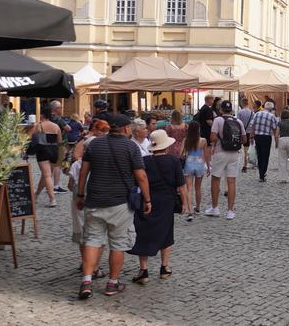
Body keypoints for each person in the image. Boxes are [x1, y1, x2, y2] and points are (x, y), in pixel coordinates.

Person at [76, 114, 151, 299]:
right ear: (126, 129)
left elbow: (83, 171)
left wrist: (80, 195)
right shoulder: (130, 147)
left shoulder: (94, 144)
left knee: (92, 240)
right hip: (120, 203)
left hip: (94, 200)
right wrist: (148, 200)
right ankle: (112, 283)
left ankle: (86, 281)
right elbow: (141, 176)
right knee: (117, 244)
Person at [129, 129, 186, 285]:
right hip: (167, 201)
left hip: (148, 200)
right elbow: (181, 186)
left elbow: (138, 181)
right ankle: (164, 267)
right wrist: (186, 204)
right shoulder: (174, 161)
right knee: (167, 233)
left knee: (143, 233)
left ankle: (144, 270)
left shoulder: (145, 161)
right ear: (166, 146)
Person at [68, 119, 111, 280]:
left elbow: (70, 184)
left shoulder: (77, 164)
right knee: (97, 232)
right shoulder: (102, 163)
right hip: (97, 197)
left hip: (78, 198)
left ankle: (85, 263)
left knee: (81, 231)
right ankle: (95, 267)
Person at [206, 100, 246, 219]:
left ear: (221, 110)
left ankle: (215, 208)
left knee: (216, 179)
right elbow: (244, 139)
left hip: (220, 152)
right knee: (231, 182)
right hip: (234, 153)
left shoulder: (218, 120)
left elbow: (212, 137)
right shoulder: (238, 121)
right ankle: (230, 211)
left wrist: (221, 139)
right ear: (231, 110)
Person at [29, 106, 61, 207]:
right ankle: (36, 195)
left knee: (47, 175)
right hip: (54, 150)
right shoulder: (56, 126)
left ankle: (52, 199)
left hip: (42, 150)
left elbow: (28, 137)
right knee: (46, 175)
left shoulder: (39, 125)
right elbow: (59, 141)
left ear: (42, 115)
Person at [182, 121, 210, 221]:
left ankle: (190, 211)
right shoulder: (203, 140)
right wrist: (208, 166)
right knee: (198, 188)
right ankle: (197, 208)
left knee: (189, 188)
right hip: (199, 164)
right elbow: (206, 155)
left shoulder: (186, 140)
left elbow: (182, 154)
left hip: (189, 163)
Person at [249, 101, 279, 182]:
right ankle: (262, 174)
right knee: (265, 156)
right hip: (266, 137)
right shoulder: (271, 116)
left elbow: (252, 126)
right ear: (271, 109)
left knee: (259, 154)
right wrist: (276, 141)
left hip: (257, 137)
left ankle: (260, 173)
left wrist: (251, 137)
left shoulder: (257, 114)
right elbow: (274, 128)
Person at [49, 100, 71, 193]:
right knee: (57, 165)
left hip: (49, 143)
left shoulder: (48, 117)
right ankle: (56, 186)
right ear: (56, 109)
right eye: (60, 107)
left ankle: (49, 185)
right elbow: (68, 128)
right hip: (59, 144)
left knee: (50, 166)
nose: (61, 109)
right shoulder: (58, 119)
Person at [277, 109, 289, 183]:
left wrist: (276, 143)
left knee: (282, 160)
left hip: (282, 140)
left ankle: (283, 178)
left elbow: (276, 134)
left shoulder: (280, 123)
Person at [236, 98, 255, 173]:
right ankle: (245, 165)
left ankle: (235, 164)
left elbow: (237, 123)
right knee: (246, 150)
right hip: (248, 133)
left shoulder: (240, 112)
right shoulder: (252, 113)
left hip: (240, 132)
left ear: (242, 103)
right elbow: (252, 124)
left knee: (237, 149)